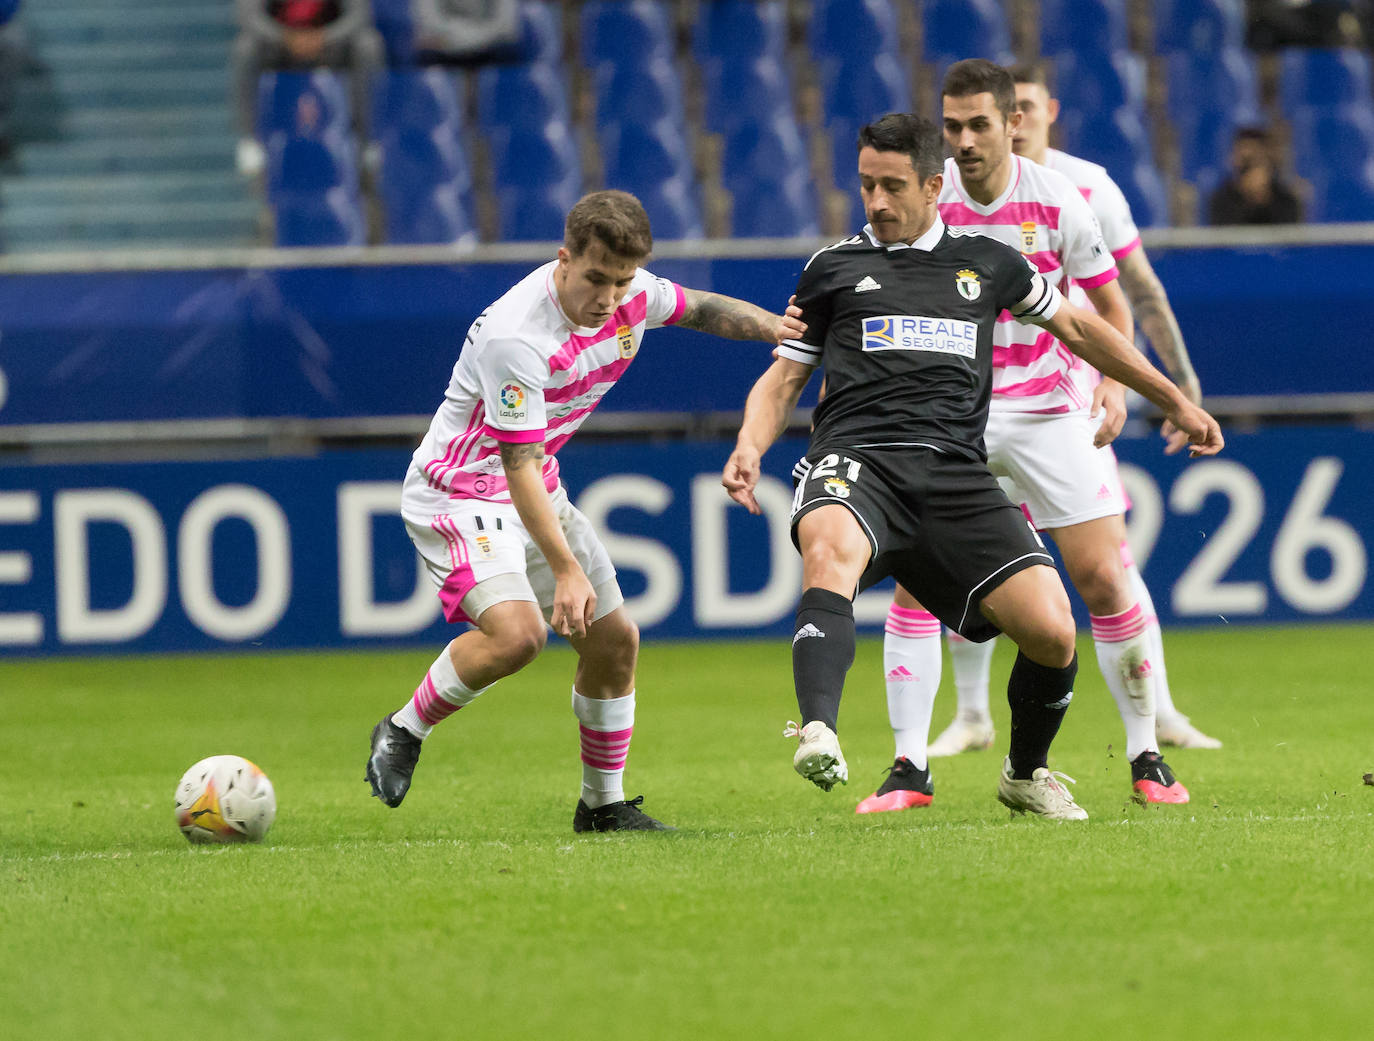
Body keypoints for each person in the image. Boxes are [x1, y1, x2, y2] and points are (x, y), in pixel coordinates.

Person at [721, 113, 1223, 822]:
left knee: (1052, 630)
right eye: (866, 185)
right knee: (828, 548)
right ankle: (820, 729)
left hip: (956, 473)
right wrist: (750, 445)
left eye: (893, 186)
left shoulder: (988, 263)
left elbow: (1081, 328)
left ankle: (1024, 773)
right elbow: (783, 379)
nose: (877, 201)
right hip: (857, 459)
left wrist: (1173, 397)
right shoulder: (831, 268)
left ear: (933, 185)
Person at [366, 190, 803, 833]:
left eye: (622, 281)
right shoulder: (516, 337)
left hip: (535, 483)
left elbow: (702, 308)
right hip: (462, 490)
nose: (608, 297)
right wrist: (566, 569)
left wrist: (776, 327)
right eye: (596, 278)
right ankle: (404, 728)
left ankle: (603, 806)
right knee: (518, 637)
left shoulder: (632, 295)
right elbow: (513, 466)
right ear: (563, 259)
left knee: (614, 642)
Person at [856, 60, 1206, 816]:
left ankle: (1146, 754)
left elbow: (1108, 308)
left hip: (1050, 410)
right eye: (952, 127)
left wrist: (1114, 385)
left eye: (980, 124)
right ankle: (907, 769)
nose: (965, 141)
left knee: (1106, 576)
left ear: (1014, 122)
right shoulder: (925, 199)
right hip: (957, 418)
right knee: (918, 583)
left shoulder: (1059, 200)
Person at [231, 0, 385, 174]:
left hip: (331, 46)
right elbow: (248, 16)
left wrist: (324, 37)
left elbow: (359, 15)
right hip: (279, 48)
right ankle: (251, 139)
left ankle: (366, 140)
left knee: (368, 45)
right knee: (245, 48)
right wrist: (285, 37)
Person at [1208, 127, 1304, 226]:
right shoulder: (1221, 199)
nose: (1249, 170)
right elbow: (1224, 236)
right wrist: (1248, 200)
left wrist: (1263, 199)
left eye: (1254, 160)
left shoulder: (1285, 199)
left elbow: (1288, 235)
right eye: (1244, 161)